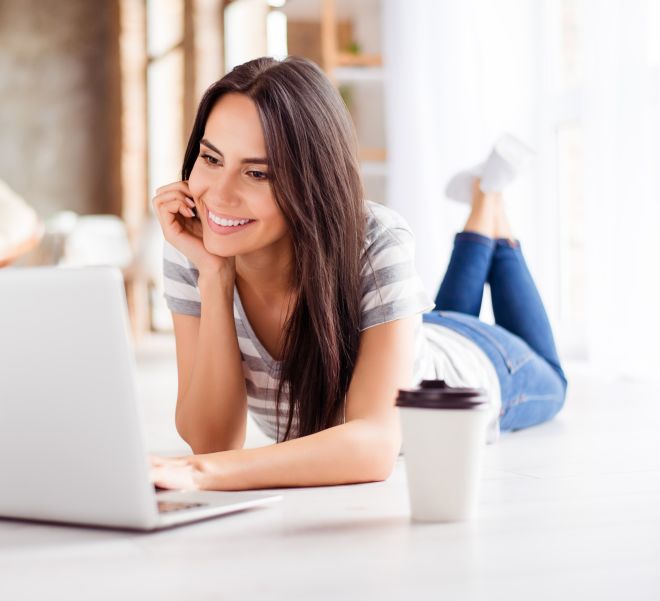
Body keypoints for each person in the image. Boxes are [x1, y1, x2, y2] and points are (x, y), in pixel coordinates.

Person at [149, 56, 567, 491]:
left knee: (554, 381)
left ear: (310, 183)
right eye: (211, 159)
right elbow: (212, 441)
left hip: (476, 367)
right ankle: (487, 199)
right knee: (440, 316)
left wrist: (198, 473)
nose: (218, 195)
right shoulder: (197, 245)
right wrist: (214, 278)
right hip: (411, 331)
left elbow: (373, 445)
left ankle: (489, 201)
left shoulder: (374, 240)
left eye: (256, 173)